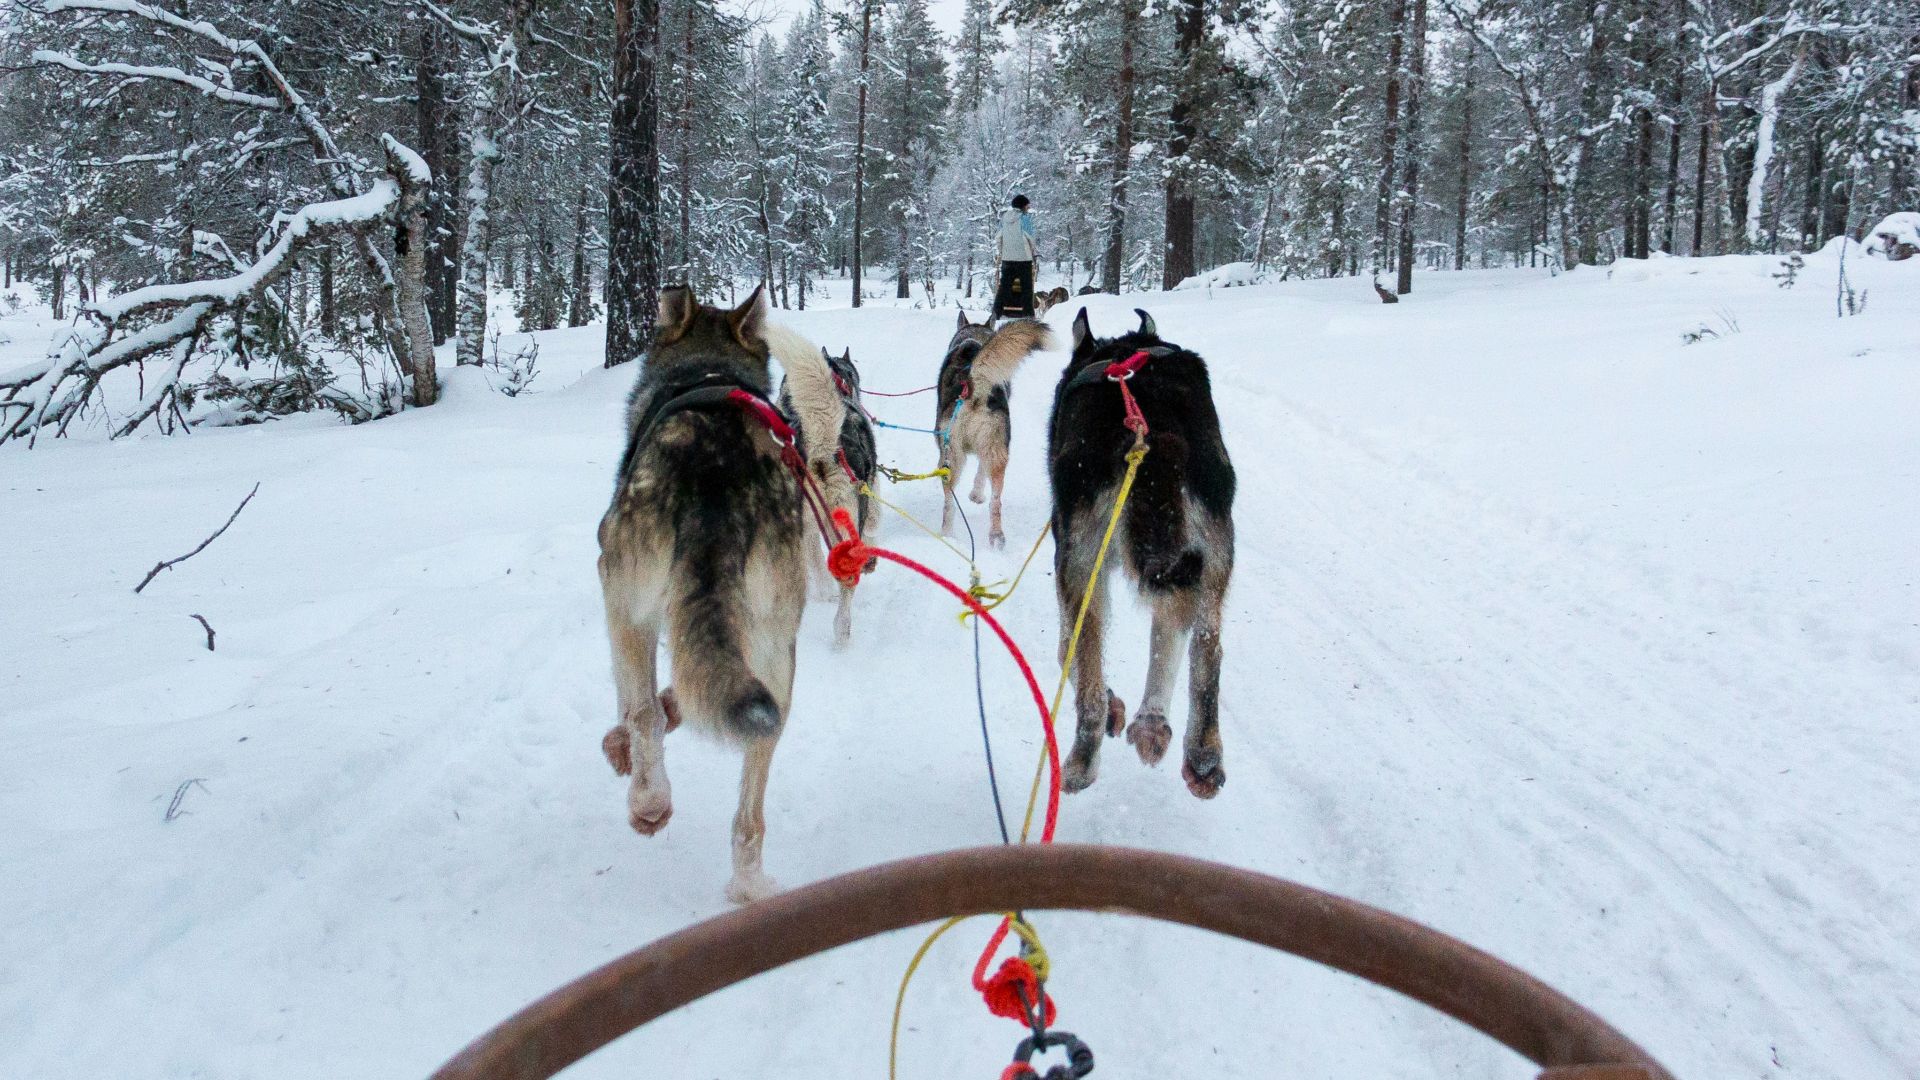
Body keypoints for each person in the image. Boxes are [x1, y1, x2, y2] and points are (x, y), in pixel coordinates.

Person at [993, 194, 1038, 319]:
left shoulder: (1004, 219)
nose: (1028, 209)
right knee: (1026, 289)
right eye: (1027, 206)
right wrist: (1033, 251)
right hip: (1024, 260)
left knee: (1004, 287)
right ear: (1023, 206)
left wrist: (1003, 251)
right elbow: (1031, 238)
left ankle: (996, 313)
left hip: (1007, 259)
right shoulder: (1024, 219)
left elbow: (998, 238)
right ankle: (1028, 316)